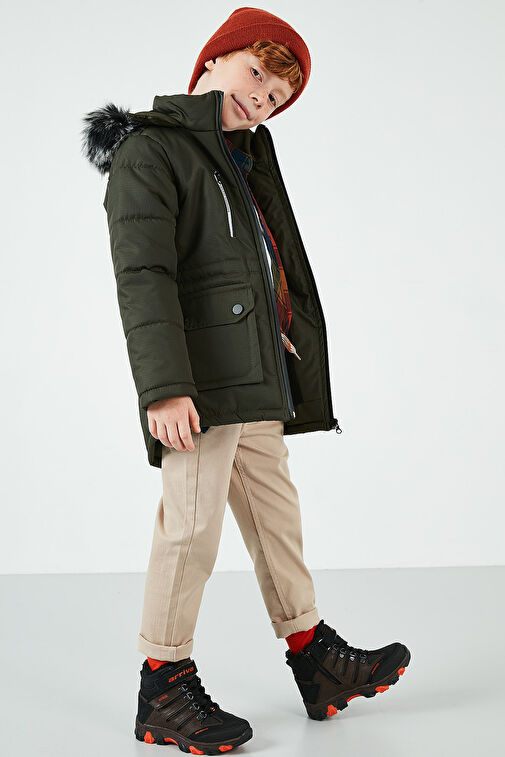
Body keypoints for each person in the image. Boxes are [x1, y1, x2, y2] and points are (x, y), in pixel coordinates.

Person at [81, 7, 411, 753]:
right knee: (190, 528)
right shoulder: (152, 150)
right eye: (255, 73)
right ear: (213, 60)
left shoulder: (239, 160)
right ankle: (163, 684)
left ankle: (313, 656)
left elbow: (254, 270)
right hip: (197, 386)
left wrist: (280, 342)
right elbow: (144, 276)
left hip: (255, 378)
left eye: (274, 98)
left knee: (275, 519)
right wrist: (164, 387)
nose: (259, 98)